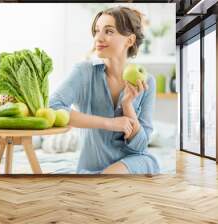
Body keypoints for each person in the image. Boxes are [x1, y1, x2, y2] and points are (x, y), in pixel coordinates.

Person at [50, 6, 159, 174]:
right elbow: (53, 107)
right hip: (92, 168)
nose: (98, 38)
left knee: (137, 166)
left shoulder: (147, 82)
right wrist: (109, 123)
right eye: (96, 31)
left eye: (108, 31)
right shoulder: (84, 72)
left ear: (129, 40)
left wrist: (128, 105)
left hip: (133, 163)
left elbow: (140, 146)